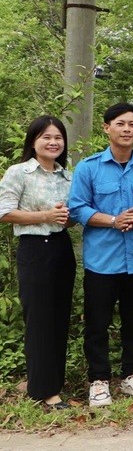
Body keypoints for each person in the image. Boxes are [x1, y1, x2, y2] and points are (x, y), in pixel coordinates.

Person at [68, 102, 133, 408]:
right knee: (97, 324)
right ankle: (98, 380)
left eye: (132, 124)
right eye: (120, 124)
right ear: (107, 128)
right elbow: (78, 207)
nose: (126, 129)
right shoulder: (89, 167)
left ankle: (132, 374)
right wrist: (112, 220)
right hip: (101, 262)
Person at [0, 116, 74, 410]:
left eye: (58, 137)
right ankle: (44, 391)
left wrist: (65, 218)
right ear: (33, 141)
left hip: (61, 248)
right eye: (46, 137)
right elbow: (5, 213)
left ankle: (52, 381)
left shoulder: (66, 176)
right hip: (34, 249)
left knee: (59, 316)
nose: (53, 142)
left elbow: (67, 220)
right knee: (40, 318)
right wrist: (46, 215)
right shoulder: (19, 172)